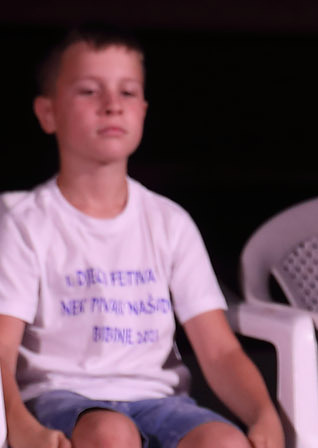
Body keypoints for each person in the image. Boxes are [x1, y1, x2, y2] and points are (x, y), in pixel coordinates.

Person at [0, 27, 283, 448]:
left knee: (225, 442)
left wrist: (263, 415)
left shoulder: (169, 221)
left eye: (128, 92)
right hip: (60, 398)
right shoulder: (25, 223)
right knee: (111, 433)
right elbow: (2, 348)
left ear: (144, 111)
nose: (112, 105)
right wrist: (18, 425)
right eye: (89, 91)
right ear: (48, 113)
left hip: (160, 401)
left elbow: (219, 351)